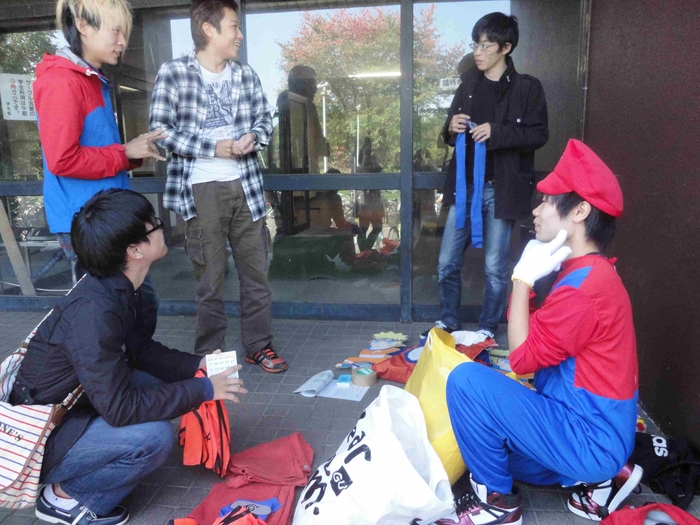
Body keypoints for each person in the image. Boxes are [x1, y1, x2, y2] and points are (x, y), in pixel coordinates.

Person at [10, 189, 246, 525]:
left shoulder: (117, 287)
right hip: (41, 438)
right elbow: (120, 409)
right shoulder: (95, 312)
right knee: (153, 438)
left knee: (159, 388)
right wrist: (205, 389)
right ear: (134, 250)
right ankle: (66, 498)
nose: (162, 227)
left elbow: (140, 350)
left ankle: (92, 470)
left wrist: (197, 366)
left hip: (78, 402)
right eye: (155, 224)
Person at [441, 140, 641, 525]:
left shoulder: (584, 288)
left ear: (579, 211)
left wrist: (520, 280)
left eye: (547, 201)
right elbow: (542, 342)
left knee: (465, 382)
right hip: (589, 427)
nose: (536, 210)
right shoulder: (588, 271)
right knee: (483, 443)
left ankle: (498, 504)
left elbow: (521, 359)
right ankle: (606, 477)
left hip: (588, 437)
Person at [149, 0, 286, 372]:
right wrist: (213, 147)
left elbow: (265, 121)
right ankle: (213, 357)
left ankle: (259, 346)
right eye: (233, 26)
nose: (239, 35)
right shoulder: (174, 73)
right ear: (209, 29)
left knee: (256, 275)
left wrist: (253, 137)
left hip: (247, 187)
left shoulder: (246, 75)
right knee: (210, 280)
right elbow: (160, 133)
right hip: (201, 189)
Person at [34, 0, 164, 333]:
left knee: (135, 306)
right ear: (83, 25)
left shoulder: (89, 78)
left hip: (104, 217)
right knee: (108, 316)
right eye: (116, 31)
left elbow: (94, 149)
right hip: (86, 222)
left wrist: (131, 153)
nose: (123, 41)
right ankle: (111, 368)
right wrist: (124, 153)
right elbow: (62, 159)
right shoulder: (62, 80)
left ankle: (127, 365)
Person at [432, 12, 549, 338]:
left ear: (505, 48)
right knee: (446, 263)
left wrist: (497, 132)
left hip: (501, 189)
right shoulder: (467, 85)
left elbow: (539, 134)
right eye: (475, 44)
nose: (478, 52)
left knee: (495, 267)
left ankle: (486, 328)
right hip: (465, 186)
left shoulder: (527, 88)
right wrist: (450, 127)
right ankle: (448, 321)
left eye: (486, 45)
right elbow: (448, 132)